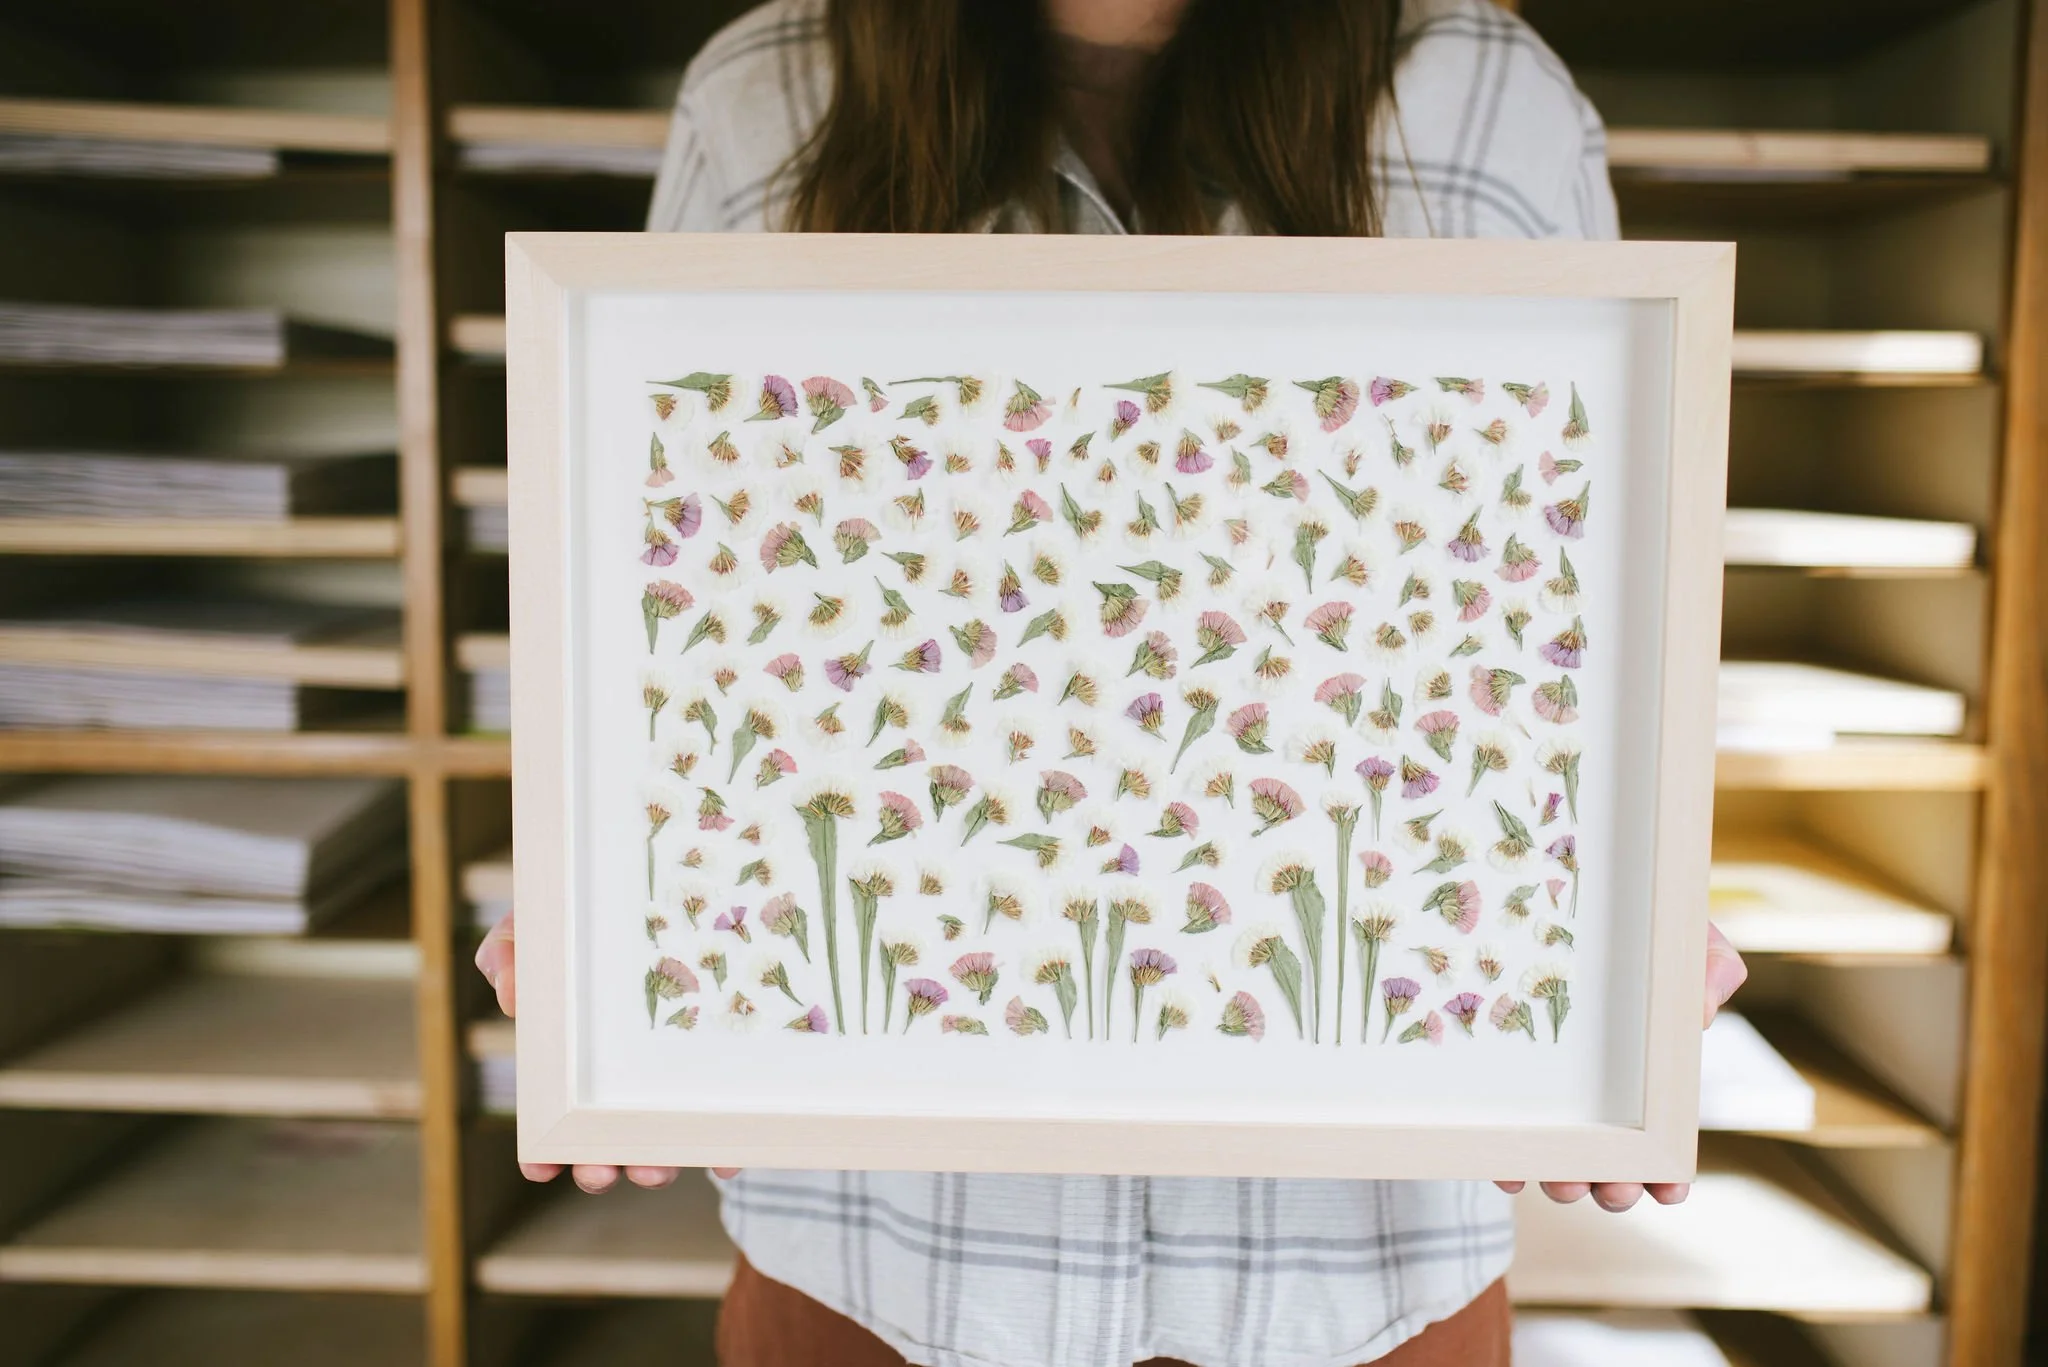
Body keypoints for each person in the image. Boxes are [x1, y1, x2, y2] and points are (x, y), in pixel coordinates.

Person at [475, 1, 1750, 1362]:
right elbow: (669, 617)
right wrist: (623, 921)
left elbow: (1579, 629)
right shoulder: (767, 93)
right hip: (868, 1294)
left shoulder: (1490, 98)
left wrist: (1617, 937)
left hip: (1360, 1307)